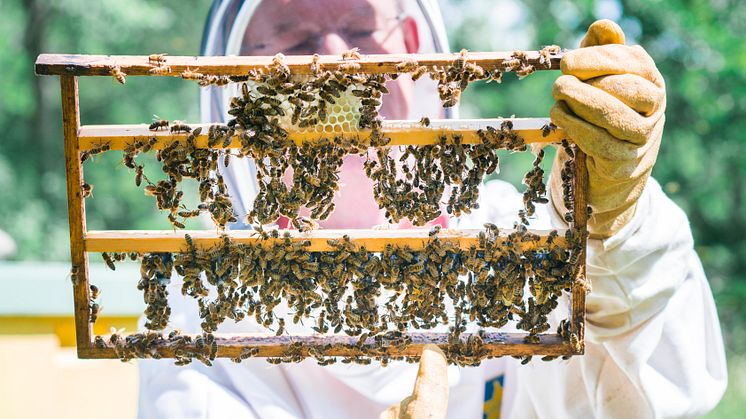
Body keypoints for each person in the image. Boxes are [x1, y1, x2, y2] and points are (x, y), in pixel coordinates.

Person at [138, 1, 728, 418]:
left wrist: (617, 230)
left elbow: (654, 388)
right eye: (294, 40)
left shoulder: (512, 238)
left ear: (414, 46)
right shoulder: (200, 307)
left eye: (362, 28)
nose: (336, 63)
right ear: (240, 87)